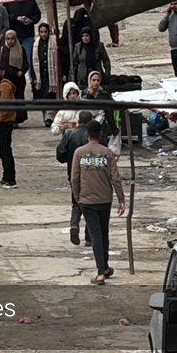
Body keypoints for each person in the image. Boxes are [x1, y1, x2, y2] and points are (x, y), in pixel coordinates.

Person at [71, 120, 126, 285]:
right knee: (103, 233)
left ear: (86, 134)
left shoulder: (79, 153)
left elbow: (75, 178)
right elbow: (115, 178)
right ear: (101, 134)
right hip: (104, 200)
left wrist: (77, 197)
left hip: (87, 200)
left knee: (95, 234)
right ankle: (105, 267)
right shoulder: (107, 153)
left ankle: (101, 272)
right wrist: (121, 199)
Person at [56, 110, 94, 246]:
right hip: (92, 175)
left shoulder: (70, 135)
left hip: (74, 174)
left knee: (76, 203)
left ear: (78, 120)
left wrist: (70, 158)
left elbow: (60, 155)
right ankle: (89, 237)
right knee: (91, 205)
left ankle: (74, 225)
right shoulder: (94, 136)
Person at [0, 30, 30, 126]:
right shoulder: (2, 50)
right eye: (8, 39)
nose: (10, 41)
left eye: (12, 39)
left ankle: (16, 119)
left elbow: (26, 64)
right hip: (6, 80)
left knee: (17, 99)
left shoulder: (21, 49)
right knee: (6, 99)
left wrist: (22, 71)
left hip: (18, 79)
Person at [32, 22, 59, 126]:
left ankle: (50, 118)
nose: (43, 34)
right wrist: (34, 77)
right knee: (42, 97)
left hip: (51, 76)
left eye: (45, 32)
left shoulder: (53, 43)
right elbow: (33, 61)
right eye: (41, 32)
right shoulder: (36, 44)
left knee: (50, 96)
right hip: (40, 76)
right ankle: (46, 117)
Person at [5, 0, 41, 67]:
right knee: (13, 59)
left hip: (28, 34)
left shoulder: (31, 1)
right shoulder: (8, 2)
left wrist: (31, 20)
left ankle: (28, 73)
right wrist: (16, 18)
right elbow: (5, 17)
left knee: (28, 58)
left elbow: (38, 15)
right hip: (13, 36)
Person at [81, 71, 118, 138]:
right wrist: (89, 95)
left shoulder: (104, 95)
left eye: (98, 80)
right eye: (93, 80)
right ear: (89, 80)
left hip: (101, 127)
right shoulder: (83, 94)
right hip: (86, 128)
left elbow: (109, 114)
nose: (96, 82)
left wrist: (114, 129)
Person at [158, 1, 177, 77]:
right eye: (171, 4)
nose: (173, 6)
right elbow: (161, 28)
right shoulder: (171, 16)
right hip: (174, 50)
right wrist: (167, 15)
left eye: (175, 4)